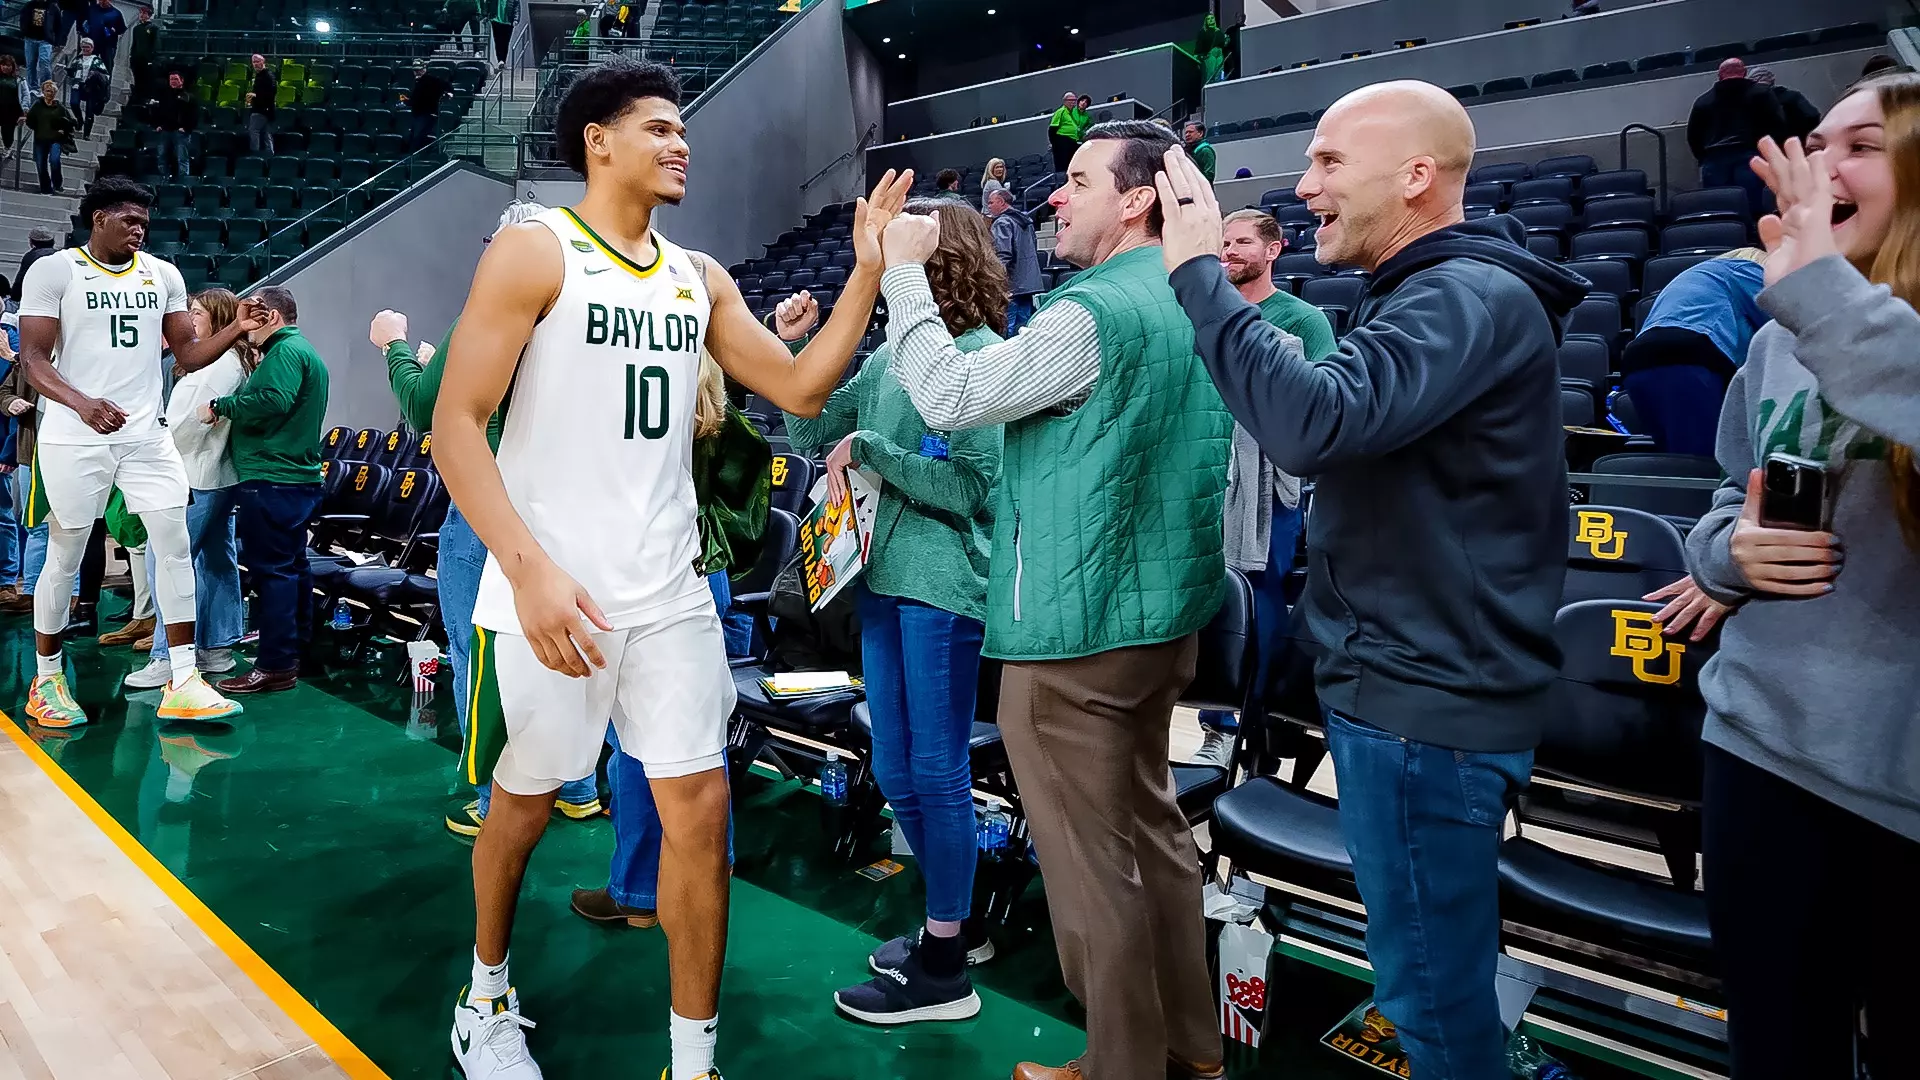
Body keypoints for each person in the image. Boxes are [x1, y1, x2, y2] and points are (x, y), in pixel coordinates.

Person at [433, 56, 909, 1080]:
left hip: (670, 592)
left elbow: (801, 387)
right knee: (525, 798)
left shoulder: (702, 278)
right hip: (550, 594)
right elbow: (454, 426)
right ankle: (485, 996)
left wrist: (866, 270)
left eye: (683, 126)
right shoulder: (536, 249)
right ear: (597, 141)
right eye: (656, 126)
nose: (680, 141)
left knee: (698, 813)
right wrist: (527, 570)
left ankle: (692, 1062)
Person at [1156, 80, 1587, 1080]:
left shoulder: (1464, 296)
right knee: (1432, 990)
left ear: (1417, 176)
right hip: (1410, 692)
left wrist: (1196, 275)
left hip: (1427, 705)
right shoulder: (1433, 292)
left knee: (1431, 1005)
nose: (1306, 187)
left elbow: (1313, 423)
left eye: (1328, 162)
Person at [882, 118, 1229, 1080]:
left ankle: (1121, 1065)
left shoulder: (1091, 312)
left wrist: (905, 273)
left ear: (1137, 198)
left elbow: (949, 397)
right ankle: (1189, 1051)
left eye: (1077, 180)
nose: (1052, 198)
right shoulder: (1196, 298)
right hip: (1160, 622)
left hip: (1076, 633)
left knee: (1089, 868)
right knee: (1154, 837)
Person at [1680, 80, 1920, 1080]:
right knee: (1777, 1055)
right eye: (1814, 143)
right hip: (1761, 751)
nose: (1820, 168)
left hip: (1899, 794)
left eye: (1858, 145)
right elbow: (1722, 508)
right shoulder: (1777, 339)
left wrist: (1818, 289)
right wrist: (1725, 558)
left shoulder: (1822, 315)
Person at [781, 202, 1007, 1026]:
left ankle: (946, 962)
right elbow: (807, 422)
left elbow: (974, 490)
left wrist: (876, 454)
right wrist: (804, 347)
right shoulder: (884, 362)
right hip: (877, 584)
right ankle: (949, 920)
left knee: (939, 770)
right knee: (897, 768)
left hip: (944, 591)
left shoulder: (982, 357)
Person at [367, 207, 608, 834]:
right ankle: (576, 784)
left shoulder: (488, 308)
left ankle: (492, 801)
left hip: (488, 507)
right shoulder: (591, 312)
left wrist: (395, 347)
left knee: (479, 651)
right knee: (561, 645)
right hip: (567, 504)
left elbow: (427, 410)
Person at [17, 177, 266, 730]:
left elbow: (189, 353)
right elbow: (32, 360)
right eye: (128, 220)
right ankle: (48, 676)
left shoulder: (163, 274)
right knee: (66, 549)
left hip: (144, 436)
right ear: (99, 218)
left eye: (144, 224)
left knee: (175, 545)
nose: (139, 231)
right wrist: (81, 403)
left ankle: (184, 679)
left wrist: (237, 330)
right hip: (75, 432)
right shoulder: (54, 271)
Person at [1187, 210, 1337, 769]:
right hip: (1204, 474)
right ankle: (1216, 719)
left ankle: (1256, 719)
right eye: (1223, 242)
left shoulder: (1302, 319)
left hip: (1268, 487)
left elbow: (1318, 405)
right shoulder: (1202, 313)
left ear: (1273, 250)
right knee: (1210, 595)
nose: (1229, 251)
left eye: (1243, 242)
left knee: (1258, 594)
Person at [123, 289, 255, 689]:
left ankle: (166, 655)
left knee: (165, 561)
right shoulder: (223, 362)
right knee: (215, 560)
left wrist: (144, 444)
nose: (190, 320)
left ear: (216, 318)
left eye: (196, 313)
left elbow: (183, 424)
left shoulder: (218, 367)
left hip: (195, 475)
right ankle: (215, 648)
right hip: (214, 476)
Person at [203, 286, 326, 694]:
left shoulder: (284, 352)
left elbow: (273, 399)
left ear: (270, 316)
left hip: (273, 476)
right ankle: (296, 652)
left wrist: (223, 406)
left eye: (250, 317)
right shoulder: (301, 350)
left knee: (272, 574)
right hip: (292, 478)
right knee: (292, 570)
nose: (245, 327)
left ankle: (274, 665)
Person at [1618, 249, 1767, 455]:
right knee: (1709, 459)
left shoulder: (1695, 276)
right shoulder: (1746, 268)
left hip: (1637, 361)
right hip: (1689, 355)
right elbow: (1783, 320)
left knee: (1676, 455)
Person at [1688, 57, 1786, 214]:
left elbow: (1693, 135)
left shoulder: (1703, 101)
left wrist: (1703, 157)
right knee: (1751, 205)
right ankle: (1752, 236)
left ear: (1719, 76)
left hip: (1715, 159)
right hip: (1751, 155)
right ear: (1745, 73)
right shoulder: (1762, 93)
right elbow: (1778, 124)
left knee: (1719, 208)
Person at [987, 189, 1041, 334]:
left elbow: (1002, 255)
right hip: (1028, 283)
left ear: (1001, 202)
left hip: (1011, 284)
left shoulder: (1002, 222)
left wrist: (998, 282)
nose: (988, 206)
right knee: (1024, 327)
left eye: (991, 202)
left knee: (1007, 328)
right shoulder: (1026, 221)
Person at [1750, 68, 1821, 145]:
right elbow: (1813, 115)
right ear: (1772, 79)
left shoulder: (1749, 102)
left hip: (1766, 149)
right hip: (1796, 144)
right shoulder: (1792, 96)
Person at [25, 82, 71, 194]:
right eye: (47, 91)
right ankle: (45, 188)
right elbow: (30, 120)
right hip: (40, 139)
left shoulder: (60, 108)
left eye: (52, 91)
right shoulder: (37, 105)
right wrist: (39, 128)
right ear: (43, 92)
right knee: (41, 164)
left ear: (55, 93)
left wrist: (63, 130)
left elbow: (69, 121)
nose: (49, 93)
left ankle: (57, 184)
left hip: (55, 139)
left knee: (54, 160)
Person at [151, 71, 197, 178]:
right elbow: (158, 112)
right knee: (162, 157)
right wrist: (158, 125)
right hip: (165, 131)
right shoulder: (164, 96)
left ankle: (183, 181)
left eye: (175, 79)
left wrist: (186, 128)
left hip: (181, 133)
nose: (173, 81)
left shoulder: (188, 97)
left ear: (182, 81)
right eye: (171, 79)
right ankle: (163, 179)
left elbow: (194, 115)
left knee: (182, 158)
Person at [402, 61, 450, 151]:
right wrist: (406, 100)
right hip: (417, 113)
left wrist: (449, 93)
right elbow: (415, 99)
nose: (417, 72)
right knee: (413, 137)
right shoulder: (415, 82)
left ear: (424, 69)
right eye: (415, 70)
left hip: (427, 114)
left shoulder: (432, 80)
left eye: (419, 70)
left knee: (418, 137)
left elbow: (446, 86)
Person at [65, 38, 107, 140]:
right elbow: (72, 72)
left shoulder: (97, 60)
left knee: (89, 110)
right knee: (74, 103)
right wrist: (69, 71)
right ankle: (79, 119)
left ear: (92, 48)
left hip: (91, 87)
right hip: (77, 84)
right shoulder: (77, 59)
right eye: (83, 47)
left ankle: (87, 133)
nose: (85, 49)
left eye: (87, 47)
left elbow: (105, 76)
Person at [18, 0, 56, 94]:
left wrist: (55, 39)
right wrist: (24, 31)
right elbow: (22, 17)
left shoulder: (52, 7)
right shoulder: (29, 5)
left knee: (44, 62)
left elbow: (58, 24)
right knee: (30, 64)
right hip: (30, 38)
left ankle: (46, 87)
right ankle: (33, 88)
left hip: (45, 40)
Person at [245, 53, 276, 155]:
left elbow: (270, 94)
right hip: (264, 109)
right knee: (266, 133)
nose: (255, 64)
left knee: (253, 130)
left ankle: (255, 155)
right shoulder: (260, 76)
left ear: (263, 61)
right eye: (253, 62)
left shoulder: (267, 76)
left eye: (257, 61)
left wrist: (255, 95)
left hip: (262, 109)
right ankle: (269, 155)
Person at [15, 230, 57, 304]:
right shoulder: (60, 254)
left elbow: (21, 279)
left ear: (32, 242)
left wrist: (15, 297)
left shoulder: (30, 256)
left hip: (36, 297)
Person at [80, 0, 122, 71]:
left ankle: (105, 81)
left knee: (107, 67)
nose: (102, 1)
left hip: (108, 45)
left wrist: (113, 30)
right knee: (87, 65)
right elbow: (82, 22)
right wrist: (84, 32)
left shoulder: (116, 13)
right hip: (91, 43)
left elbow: (121, 29)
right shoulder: (91, 9)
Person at [128, 5, 158, 103]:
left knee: (147, 79)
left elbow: (155, 44)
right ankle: (138, 98)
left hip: (147, 59)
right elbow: (134, 44)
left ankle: (147, 97)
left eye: (144, 13)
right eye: (141, 13)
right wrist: (131, 56)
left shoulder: (153, 28)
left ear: (149, 15)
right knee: (137, 79)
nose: (141, 15)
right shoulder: (136, 28)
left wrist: (151, 59)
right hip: (137, 59)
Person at [1047, 90, 1083, 171]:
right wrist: (1054, 144)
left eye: (1074, 100)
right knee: (1064, 166)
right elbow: (1052, 130)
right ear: (1065, 101)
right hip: (1063, 142)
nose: (1073, 102)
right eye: (1070, 100)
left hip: (1073, 142)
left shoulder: (1073, 113)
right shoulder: (1061, 112)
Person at [0, 57, 24, 155]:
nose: (5, 67)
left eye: (8, 65)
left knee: (8, 132)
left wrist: (24, 111)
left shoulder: (19, 80)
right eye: (3, 65)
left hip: (11, 111)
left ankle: (7, 148)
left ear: (13, 67)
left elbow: (25, 95)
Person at [1197, 13, 1228, 83]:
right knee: (1210, 74)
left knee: (1219, 74)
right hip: (1210, 53)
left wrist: (1226, 40)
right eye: (1208, 19)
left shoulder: (1219, 31)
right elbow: (1199, 44)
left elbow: (1223, 44)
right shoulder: (1204, 31)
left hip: (1220, 53)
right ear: (1206, 21)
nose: (1210, 20)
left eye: (1212, 18)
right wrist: (1198, 56)